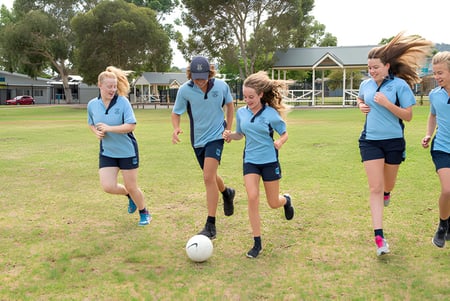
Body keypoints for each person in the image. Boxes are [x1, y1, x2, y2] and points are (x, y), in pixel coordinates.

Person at [357, 33, 433, 256]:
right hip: (370, 141)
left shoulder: (399, 85)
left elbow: (408, 116)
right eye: (369, 67)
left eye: (376, 67)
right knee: (374, 188)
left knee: (387, 185)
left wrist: (388, 104)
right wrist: (360, 104)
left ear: (387, 66)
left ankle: (388, 192)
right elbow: (361, 98)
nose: (372, 71)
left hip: (393, 142)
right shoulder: (366, 85)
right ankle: (379, 237)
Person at [223, 71, 294, 258]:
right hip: (250, 161)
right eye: (245, 97)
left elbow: (284, 133)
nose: (247, 100)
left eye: (251, 97)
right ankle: (257, 242)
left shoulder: (271, 114)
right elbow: (240, 134)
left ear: (261, 94)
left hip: (270, 161)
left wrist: (280, 142)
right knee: (252, 197)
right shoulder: (241, 113)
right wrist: (230, 136)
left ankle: (286, 200)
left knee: (273, 203)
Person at [171, 56, 236, 239]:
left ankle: (211, 224)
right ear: (190, 74)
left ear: (210, 72)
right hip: (197, 139)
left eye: (203, 76)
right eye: (196, 77)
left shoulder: (222, 86)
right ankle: (227, 192)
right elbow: (176, 113)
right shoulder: (184, 91)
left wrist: (228, 128)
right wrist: (176, 128)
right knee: (212, 176)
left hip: (216, 136)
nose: (200, 81)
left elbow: (230, 106)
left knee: (207, 176)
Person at [87, 66, 151, 226]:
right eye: (109, 86)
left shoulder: (123, 102)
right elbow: (91, 123)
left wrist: (109, 129)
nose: (113, 89)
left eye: (115, 86)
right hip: (107, 152)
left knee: (132, 186)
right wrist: (96, 132)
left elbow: (131, 125)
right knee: (108, 186)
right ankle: (129, 197)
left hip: (127, 151)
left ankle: (144, 212)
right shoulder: (92, 105)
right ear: (100, 85)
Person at [421, 51, 450, 248]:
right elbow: (433, 116)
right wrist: (428, 134)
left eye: (440, 73)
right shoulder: (434, 95)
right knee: (447, 190)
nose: (437, 77)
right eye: (435, 73)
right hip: (441, 146)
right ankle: (442, 225)